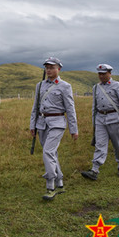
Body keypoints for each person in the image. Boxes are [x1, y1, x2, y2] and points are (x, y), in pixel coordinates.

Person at [30, 57, 79, 200]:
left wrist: (73, 129)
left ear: (59, 69)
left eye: (52, 67)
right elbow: (35, 107)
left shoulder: (65, 86)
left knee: (48, 152)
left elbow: (70, 109)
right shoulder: (39, 85)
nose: (49, 70)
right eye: (47, 67)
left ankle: (50, 185)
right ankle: (60, 182)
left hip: (57, 122)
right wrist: (32, 125)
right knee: (52, 154)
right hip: (42, 123)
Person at [81, 64, 119, 181]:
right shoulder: (96, 87)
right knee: (100, 144)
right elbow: (94, 106)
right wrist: (94, 123)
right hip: (100, 119)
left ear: (109, 73)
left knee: (117, 144)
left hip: (114, 118)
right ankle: (95, 169)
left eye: (104, 73)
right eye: (99, 74)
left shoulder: (117, 86)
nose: (101, 76)